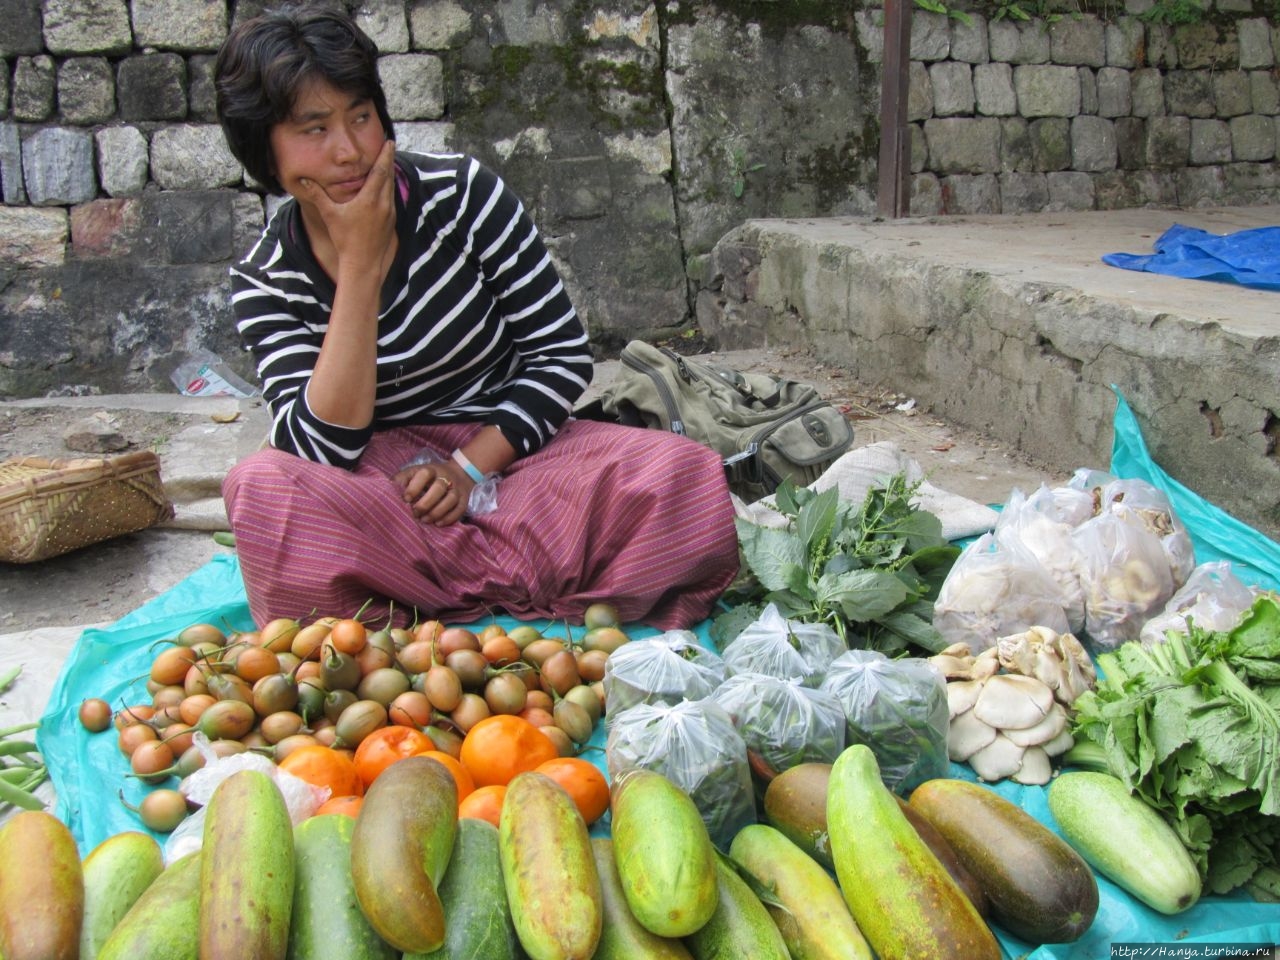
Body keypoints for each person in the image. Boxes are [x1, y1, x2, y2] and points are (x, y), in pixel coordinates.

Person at [213, 4, 739, 631]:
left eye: (361, 117)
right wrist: (358, 268)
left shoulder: (461, 194)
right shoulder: (265, 275)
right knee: (264, 491)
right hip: (383, 492)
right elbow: (324, 446)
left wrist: (465, 472)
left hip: (512, 460)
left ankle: (425, 602)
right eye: (315, 129)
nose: (350, 151)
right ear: (265, 153)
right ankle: (542, 587)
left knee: (682, 474)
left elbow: (561, 357)